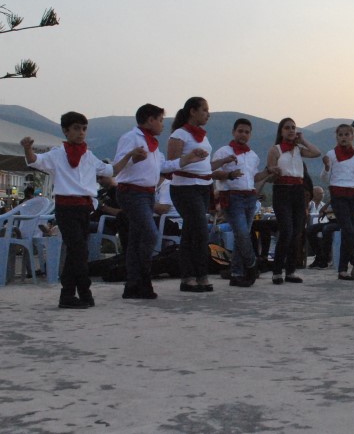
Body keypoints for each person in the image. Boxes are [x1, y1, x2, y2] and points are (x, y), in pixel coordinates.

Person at [21, 111, 142, 309]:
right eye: (77, 128)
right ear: (65, 131)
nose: (81, 132)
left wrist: (129, 156)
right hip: (66, 207)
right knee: (78, 250)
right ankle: (82, 291)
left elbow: (111, 170)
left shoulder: (88, 155)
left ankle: (69, 294)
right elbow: (36, 160)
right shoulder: (57, 154)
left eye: (84, 128)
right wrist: (28, 149)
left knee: (77, 252)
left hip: (84, 208)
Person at [115, 103, 209, 300]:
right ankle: (143, 278)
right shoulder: (131, 138)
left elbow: (164, 166)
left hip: (147, 193)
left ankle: (133, 283)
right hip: (132, 192)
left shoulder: (153, 145)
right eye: (159, 120)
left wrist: (188, 159)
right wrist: (132, 158)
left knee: (136, 238)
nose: (162, 124)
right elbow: (117, 166)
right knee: (150, 233)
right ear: (150, 120)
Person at [167, 97, 237, 293]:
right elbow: (172, 162)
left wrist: (222, 162)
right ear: (192, 111)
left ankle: (192, 276)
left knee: (193, 231)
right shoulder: (180, 134)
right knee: (198, 229)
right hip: (184, 187)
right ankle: (196, 274)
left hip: (202, 186)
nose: (208, 114)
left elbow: (205, 166)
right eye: (204, 110)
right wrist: (190, 158)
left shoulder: (203, 137)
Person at [212, 118, 271, 288]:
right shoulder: (223, 152)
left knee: (241, 236)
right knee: (242, 234)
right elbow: (213, 173)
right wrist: (229, 175)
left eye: (246, 132)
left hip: (250, 198)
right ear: (233, 132)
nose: (243, 134)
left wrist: (267, 172)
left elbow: (253, 177)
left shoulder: (252, 156)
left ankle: (237, 273)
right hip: (231, 196)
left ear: (250, 135)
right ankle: (252, 265)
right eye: (240, 131)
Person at [266, 118, 321, 284]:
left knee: (297, 232)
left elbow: (316, 152)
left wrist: (302, 140)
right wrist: (273, 171)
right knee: (287, 231)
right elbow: (269, 173)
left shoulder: (298, 149)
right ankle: (277, 271)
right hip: (282, 190)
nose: (290, 130)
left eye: (293, 127)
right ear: (281, 131)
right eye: (287, 128)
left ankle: (290, 271)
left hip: (298, 191)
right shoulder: (275, 150)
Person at [321, 124, 354, 281]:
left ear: (352, 136)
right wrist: (327, 167)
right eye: (340, 134)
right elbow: (325, 179)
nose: (344, 137)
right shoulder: (331, 154)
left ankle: (342, 270)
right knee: (347, 229)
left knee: (349, 232)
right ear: (336, 137)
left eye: (347, 134)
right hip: (338, 194)